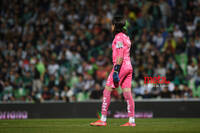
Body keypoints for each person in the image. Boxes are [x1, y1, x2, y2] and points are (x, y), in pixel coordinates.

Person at [90, 16, 136, 127]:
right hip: (129, 66)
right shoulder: (126, 37)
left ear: (115, 26)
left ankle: (103, 119)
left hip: (121, 66)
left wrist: (116, 70)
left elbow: (120, 55)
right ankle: (131, 121)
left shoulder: (119, 37)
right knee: (127, 93)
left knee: (107, 90)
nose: (111, 26)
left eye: (112, 24)